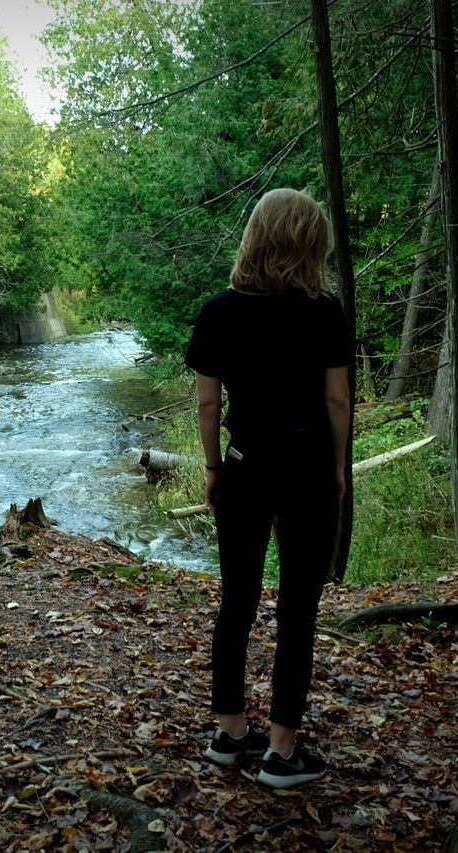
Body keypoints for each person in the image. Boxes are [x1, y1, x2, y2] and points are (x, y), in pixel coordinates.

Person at [184, 188, 351, 789]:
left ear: (255, 235)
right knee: (298, 607)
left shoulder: (217, 312)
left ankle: (229, 733)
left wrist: (212, 469)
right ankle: (281, 751)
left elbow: (207, 403)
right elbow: (336, 399)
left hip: (244, 465)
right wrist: (339, 466)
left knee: (238, 599)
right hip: (306, 466)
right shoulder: (323, 311)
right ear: (310, 244)